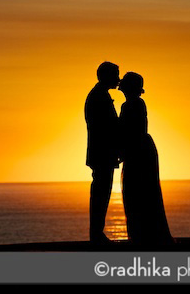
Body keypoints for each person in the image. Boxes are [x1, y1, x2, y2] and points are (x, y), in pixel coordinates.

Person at [118, 72, 174, 246]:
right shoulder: (136, 104)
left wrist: (122, 151)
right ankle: (146, 234)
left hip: (137, 152)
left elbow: (129, 132)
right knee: (145, 193)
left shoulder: (130, 106)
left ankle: (143, 236)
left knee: (137, 193)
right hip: (142, 150)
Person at [84, 61, 121, 243]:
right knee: (101, 193)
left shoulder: (99, 95)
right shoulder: (99, 97)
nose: (118, 79)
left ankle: (97, 233)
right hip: (102, 154)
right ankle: (96, 234)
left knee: (101, 192)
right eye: (115, 75)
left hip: (101, 153)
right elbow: (108, 127)